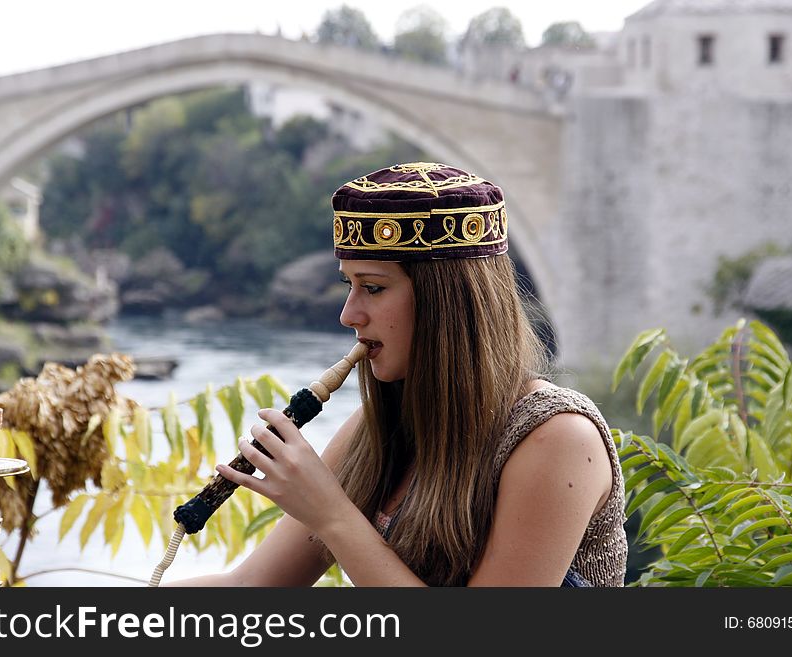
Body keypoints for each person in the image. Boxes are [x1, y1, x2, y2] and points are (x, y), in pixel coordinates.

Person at [169, 162, 627, 587]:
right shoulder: (378, 429)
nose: (349, 315)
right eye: (349, 285)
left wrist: (331, 514)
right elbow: (250, 588)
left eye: (373, 287)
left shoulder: (559, 440)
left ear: (449, 303)